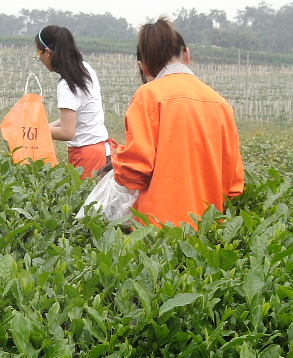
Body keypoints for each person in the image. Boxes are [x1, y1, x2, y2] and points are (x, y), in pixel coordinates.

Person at [112, 17, 244, 228]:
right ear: (187, 55)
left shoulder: (148, 96)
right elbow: (233, 186)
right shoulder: (220, 104)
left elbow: (134, 172)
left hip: (159, 230)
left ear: (144, 67)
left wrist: (117, 159)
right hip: (207, 229)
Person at [34, 25, 114, 179]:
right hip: (102, 150)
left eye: (39, 54)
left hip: (87, 156)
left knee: (85, 194)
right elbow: (78, 115)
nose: (41, 60)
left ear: (47, 52)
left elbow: (67, 132)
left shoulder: (66, 85)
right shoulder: (84, 69)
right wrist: (45, 127)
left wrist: (35, 131)